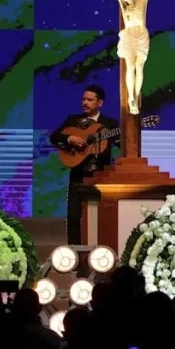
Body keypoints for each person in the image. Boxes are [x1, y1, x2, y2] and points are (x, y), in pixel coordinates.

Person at [73, 0, 175, 115]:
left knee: (139, 67)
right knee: (130, 67)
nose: (127, 2)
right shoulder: (121, 0)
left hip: (141, 37)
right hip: (129, 37)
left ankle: (136, 95)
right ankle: (130, 99)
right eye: (124, 0)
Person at [50, 85, 119, 245]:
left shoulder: (109, 123)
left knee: (102, 215)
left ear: (100, 103)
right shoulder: (73, 120)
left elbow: (122, 145)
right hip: (78, 175)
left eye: (90, 99)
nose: (85, 102)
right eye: (83, 99)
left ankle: (103, 251)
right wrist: (69, 139)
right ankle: (74, 252)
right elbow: (54, 137)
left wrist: (126, 136)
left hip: (101, 175)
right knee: (74, 216)